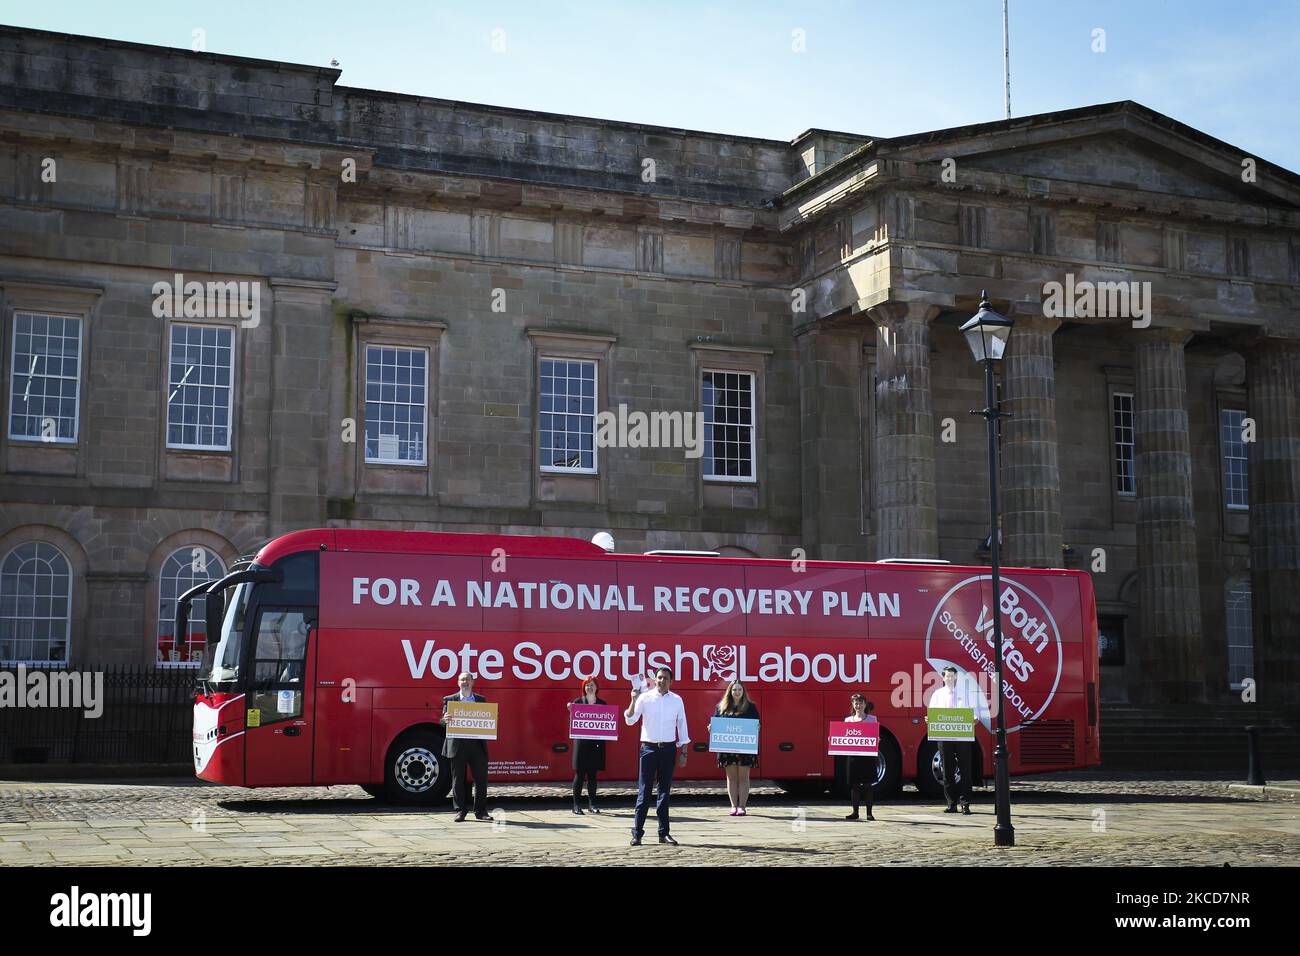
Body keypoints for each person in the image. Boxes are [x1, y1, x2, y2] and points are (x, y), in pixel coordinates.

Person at [624, 666, 690, 846]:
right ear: (654, 679)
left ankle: (664, 833)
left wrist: (683, 750)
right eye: (659, 677)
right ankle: (637, 833)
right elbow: (630, 719)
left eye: (665, 678)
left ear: (671, 681)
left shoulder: (677, 700)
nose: (662, 681)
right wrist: (632, 699)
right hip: (649, 749)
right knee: (644, 792)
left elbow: (682, 725)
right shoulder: (645, 697)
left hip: (668, 749)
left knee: (664, 793)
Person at [441, 671, 492, 822]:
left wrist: (492, 719)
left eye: (468, 679)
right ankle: (460, 811)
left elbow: (486, 720)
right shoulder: (450, 700)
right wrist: (445, 719)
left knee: (481, 779)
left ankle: (481, 811)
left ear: (472, 682)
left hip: (477, 746)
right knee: (457, 780)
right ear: (458, 683)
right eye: (462, 679)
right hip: (457, 745)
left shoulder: (481, 700)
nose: (465, 682)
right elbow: (442, 722)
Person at [928, 664, 978, 815]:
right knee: (947, 771)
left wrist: (974, 719)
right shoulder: (937, 694)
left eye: (952, 675)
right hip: (944, 736)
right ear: (943, 678)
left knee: (965, 770)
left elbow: (974, 713)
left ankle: (965, 803)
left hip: (962, 736)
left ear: (956, 677)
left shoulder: (966, 693)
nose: (949, 678)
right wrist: (928, 720)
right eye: (947, 676)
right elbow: (932, 713)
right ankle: (951, 803)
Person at [714, 680, 759, 816]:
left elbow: (758, 724)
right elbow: (716, 724)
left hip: (745, 749)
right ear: (730, 691)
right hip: (728, 749)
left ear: (743, 692)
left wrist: (757, 727)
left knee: (744, 777)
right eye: (734, 690)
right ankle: (733, 806)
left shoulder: (750, 707)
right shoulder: (721, 707)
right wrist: (712, 729)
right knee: (731, 777)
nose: (737, 692)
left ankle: (742, 807)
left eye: (739, 690)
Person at [567, 674, 606, 815]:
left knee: (593, 776)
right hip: (581, 745)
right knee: (579, 774)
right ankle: (576, 805)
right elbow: (571, 725)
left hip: (595, 745)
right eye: (587, 685)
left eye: (592, 685)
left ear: (596, 688)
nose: (589, 687)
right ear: (584, 687)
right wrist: (571, 712)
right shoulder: (577, 702)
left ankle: (592, 805)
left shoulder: (602, 704)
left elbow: (608, 724)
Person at [843, 693, 876, 821]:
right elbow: (844, 737)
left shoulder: (872, 719)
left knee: (868, 785)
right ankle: (855, 812)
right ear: (853, 705)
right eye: (856, 703)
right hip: (853, 758)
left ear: (865, 704)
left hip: (867, 757)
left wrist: (877, 740)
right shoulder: (848, 720)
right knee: (855, 785)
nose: (858, 705)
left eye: (860, 703)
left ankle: (869, 813)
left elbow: (875, 736)